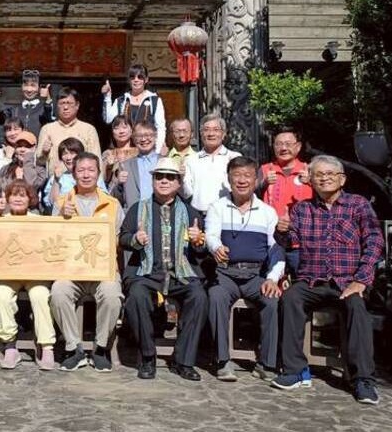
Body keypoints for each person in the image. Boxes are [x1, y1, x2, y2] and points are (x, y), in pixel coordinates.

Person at [271, 155, 384, 405]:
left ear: (342, 179)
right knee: (290, 298)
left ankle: (363, 379)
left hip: (347, 281)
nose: (324, 178)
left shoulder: (358, 205)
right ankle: (294, 370)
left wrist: (361, 280)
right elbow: (290, 242)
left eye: (330, 174)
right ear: (310, 180)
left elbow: (375, 241)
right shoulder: (302, 209)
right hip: (311, 280)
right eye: (318, 175)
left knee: (357, 307)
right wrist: (281, 231)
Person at [119, 157, 208, 381]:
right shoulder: (138, 208)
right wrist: (135, 240)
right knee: (137, 296)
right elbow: (123, 238)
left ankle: (183, 360)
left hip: (180, 273)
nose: (164, 181)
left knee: (198, 296)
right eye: (159, 176)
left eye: (170, 177)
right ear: (153, 181)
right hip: (147, 272)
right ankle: (148, 357)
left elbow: (201, 253)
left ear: (179, 183)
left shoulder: (191, 212)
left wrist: (198, 241)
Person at [205, 156, 284, 382]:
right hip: (225, 273)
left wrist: (272, 278)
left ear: (256, 180)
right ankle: (222, 360)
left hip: (256, 275)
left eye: (247, 176)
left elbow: (277, 250)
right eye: (236, 176)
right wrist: (216, 248)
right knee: (216, 297)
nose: (242, 181)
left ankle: (266, 363)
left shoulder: (267, 212)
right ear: (229, 180)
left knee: (271, 300)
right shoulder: (217, 207)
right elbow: (211, 235)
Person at [50, 153, 124, 372]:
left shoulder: (112, 204)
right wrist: (61, 217)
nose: (86, 174)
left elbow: (118, 240)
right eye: (80, 170)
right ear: (73, 174)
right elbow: (51, 239)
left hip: (103, 271)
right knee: (58, 292)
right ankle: (74, 348)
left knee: (112, 295)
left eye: (91, 170)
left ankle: (101, 348)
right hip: (71, 271)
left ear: (98, 173)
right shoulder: (62, 203)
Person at [0, 180, 56, 370]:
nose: (18, 199)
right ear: (7, 198)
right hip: (7, 275)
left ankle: (47, 346)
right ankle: (10, 345)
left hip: (35, 275)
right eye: (14, 195)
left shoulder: (39, 220)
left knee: (40, 295)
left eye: (22, 195)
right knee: (0, 295)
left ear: (30, 199)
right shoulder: (0, 218)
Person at [183, 113, 242, 215]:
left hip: (227, 214)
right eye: (206, 130)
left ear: (223, 134)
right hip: (199, 215)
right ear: (201, 134)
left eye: (216, 129)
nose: (211, 134)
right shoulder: (191, 160)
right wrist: (181, 177)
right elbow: (186, 193)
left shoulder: (234, 157)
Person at [102, 64, 167, 151]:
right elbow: (108, 119)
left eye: (140, 77)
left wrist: (158, 150)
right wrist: (107, 96)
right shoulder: (122, 100)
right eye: (132, 77)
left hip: (147, 148)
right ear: (129, 80)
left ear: (146, 80)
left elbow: (160, 127)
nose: (136, 80)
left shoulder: (154, 100)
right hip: (126, 148)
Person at [260, 127, 314, 231]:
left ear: (298, 146)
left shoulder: (309, 170)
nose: (283, 148)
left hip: (304, 230)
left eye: (288, 144)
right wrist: (264, 183)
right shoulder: (265, 169)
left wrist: (312, 182)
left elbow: (326, 197)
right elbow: (250, 195)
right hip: (271, 230)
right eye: (278, 144)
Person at [37, 87, 101, 173]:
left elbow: (97, 161)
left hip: (82, 179)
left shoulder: (88, 130)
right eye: (62, 103)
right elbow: (39, 162)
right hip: (55, 179)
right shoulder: (47, 129)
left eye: (69, 103)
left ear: (77, 105)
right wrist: (44, 152)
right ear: (57, 105)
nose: (66, 107)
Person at [42, 137, 107, 212]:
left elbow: (105, 199)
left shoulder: (91, 175)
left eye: (72, 153)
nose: (68, 158)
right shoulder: (57, 177)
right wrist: (56, 180)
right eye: (64, 154)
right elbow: (52, 205)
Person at [110, 120, 161, 210]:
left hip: (159, 213)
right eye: (139, 136)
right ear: (133, 138)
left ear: (155, 136)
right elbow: (115, 198)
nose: (143, 139)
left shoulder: (164, 162)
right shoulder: (125, 165)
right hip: (134, 214)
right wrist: (119, 185)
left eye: (148, 135)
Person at [0, 69, 54, 139]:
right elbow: (1, 119)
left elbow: (49, 120)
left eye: (33, 85)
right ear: (21, 87)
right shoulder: (15, 110)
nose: (29, 90)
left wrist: (47, 100)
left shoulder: (44, 108)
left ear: (39, 88)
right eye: (26, 85)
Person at [0, 130, 47, 210]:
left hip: (31, 210)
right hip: (8, 210)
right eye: (19, 146)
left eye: (27, 146)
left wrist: (28, 159)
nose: (22, 149)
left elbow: (31, 185)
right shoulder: (5, 169)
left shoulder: (40, 170)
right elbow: (2, 192)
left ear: (34, 148)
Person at [101, 115, 138, 185]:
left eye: (124, 127)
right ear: (112, 132)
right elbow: (102, 180)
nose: (121, 131)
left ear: (131, 130)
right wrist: (108, 167)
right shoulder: (108, 154)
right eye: (116, 128)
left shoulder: (138, 152)